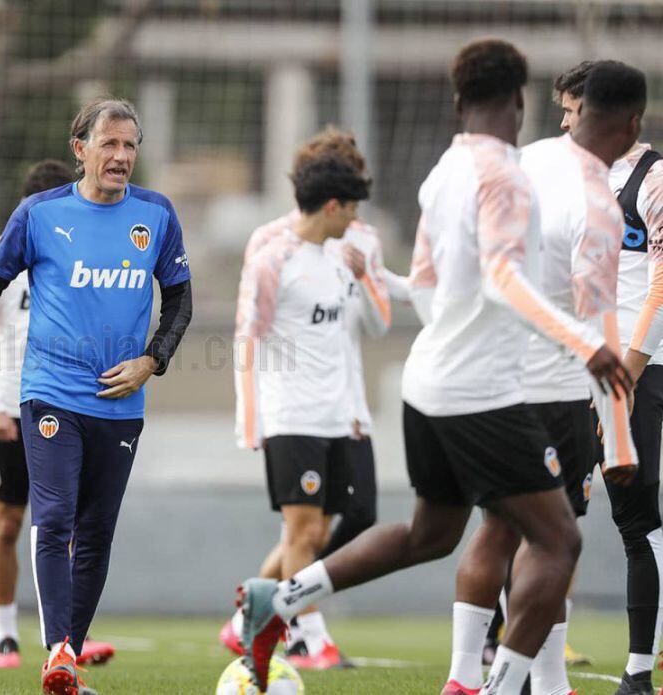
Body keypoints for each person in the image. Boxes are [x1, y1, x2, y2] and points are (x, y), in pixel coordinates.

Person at [236, 38, 632, 695]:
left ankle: (275, 597)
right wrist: (585, 341)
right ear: (518, 98)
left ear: (458, 101)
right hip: (481, 390)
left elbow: (422, 284)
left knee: (432, 532)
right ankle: (503, 686)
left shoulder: (444, 170)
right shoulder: (507, 174)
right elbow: (504, 278)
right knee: (559, 539)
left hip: (429, 382)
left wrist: (375, 275)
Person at [0, 97, 192, 695]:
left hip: (121, 403)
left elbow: (179, 298)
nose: (121, 157)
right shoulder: (39, 214)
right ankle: (58, 654)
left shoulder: (157, 214)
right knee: (53, 520)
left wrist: (153, 359)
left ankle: (67, 650)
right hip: (50, 393)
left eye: (130, 146)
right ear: (81, 150)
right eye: (110, 144)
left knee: (97, 530)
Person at [443, 60, 642, 695]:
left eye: (568, 106)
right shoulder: (600, 206)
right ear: (632, 121)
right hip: (554, 394)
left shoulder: (521, 161)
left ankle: (466, 679)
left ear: (581, 112)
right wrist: (620, 437)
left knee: (498, 528)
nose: (561, 115)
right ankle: (529, 683)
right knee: (556, 541)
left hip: (488, 381)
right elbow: (602, 331)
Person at [221, 129, 390, 671]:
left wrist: (366, 282)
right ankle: (309, 638)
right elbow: (247, 338)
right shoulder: (272, 256)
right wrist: (251, 421)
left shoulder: (351, 253)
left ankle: (251, 612)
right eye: (353, 207)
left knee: (338, 522)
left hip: (343, 416)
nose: (358, 219)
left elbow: (380, 325)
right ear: (333, 202)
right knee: (303, 531)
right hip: (292, 414)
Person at [0, 159, 117, 670]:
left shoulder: (82, 254)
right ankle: (5, 635)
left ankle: (68, 638)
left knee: (70, 525)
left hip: (67, 402)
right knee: (8, 522)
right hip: (12, 406)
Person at [553, 60, 663, 695]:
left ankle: (638, 672)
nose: (565, 123)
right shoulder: (571, 179)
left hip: (634, 374)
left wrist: (622, 378)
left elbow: (660, 286)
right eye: (564, 111)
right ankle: (533, 667)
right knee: (548, 517)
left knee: (637, 522)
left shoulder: (652, 181)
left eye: (576, 112)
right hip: (572, 371)